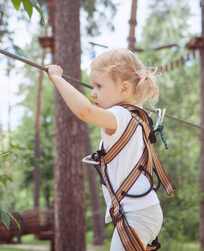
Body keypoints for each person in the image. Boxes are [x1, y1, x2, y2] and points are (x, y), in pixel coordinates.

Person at [46, 48, 174, 251]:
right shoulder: (135, 116)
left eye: (99, 86)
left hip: (137, 213)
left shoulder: (120, 116)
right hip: (140, 211)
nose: (92, 92)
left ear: (124, 89)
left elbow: (85, 111)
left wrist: (57, 79)